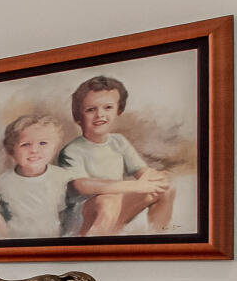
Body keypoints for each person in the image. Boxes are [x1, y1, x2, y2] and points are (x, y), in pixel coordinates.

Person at [59, 75, 173, 236]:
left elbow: (142, 171)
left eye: (108, 107)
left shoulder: (118, 141)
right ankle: (92, 250)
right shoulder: (72, 150)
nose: (100, 114)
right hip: (82, 221)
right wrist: (135, 186)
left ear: (119, 110)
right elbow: (81, 186)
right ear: (78, 116)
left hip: (115, 208)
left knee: (164, 189)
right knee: (108, 201)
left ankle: (161, 238)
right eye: (91, 109)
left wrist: (156, 178)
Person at [0, 113, 76, 239]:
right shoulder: (4, 181)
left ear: (55, 148)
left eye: (43, 143)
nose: (34, 150)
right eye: (25, 144)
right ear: (12, 150)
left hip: (53, 239)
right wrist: (5, 235)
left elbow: (72, 211)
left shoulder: (63, 177)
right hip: (16, 240)